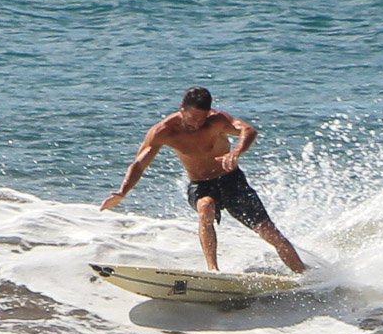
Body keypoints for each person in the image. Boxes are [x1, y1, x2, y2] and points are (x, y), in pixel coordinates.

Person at [100, 87, 306, 273]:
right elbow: (139, 164)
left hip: (231, 180)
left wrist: (236, 151)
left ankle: (304, 274)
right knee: (206, 206)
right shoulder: (163, 131)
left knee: (268, 231)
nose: (198, 124)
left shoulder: (217, 120)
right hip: (200, 185)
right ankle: (213, 270)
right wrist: (123, 192)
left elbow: (248, 130)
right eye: (192, 118)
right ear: (182, 109)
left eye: (202, 118)